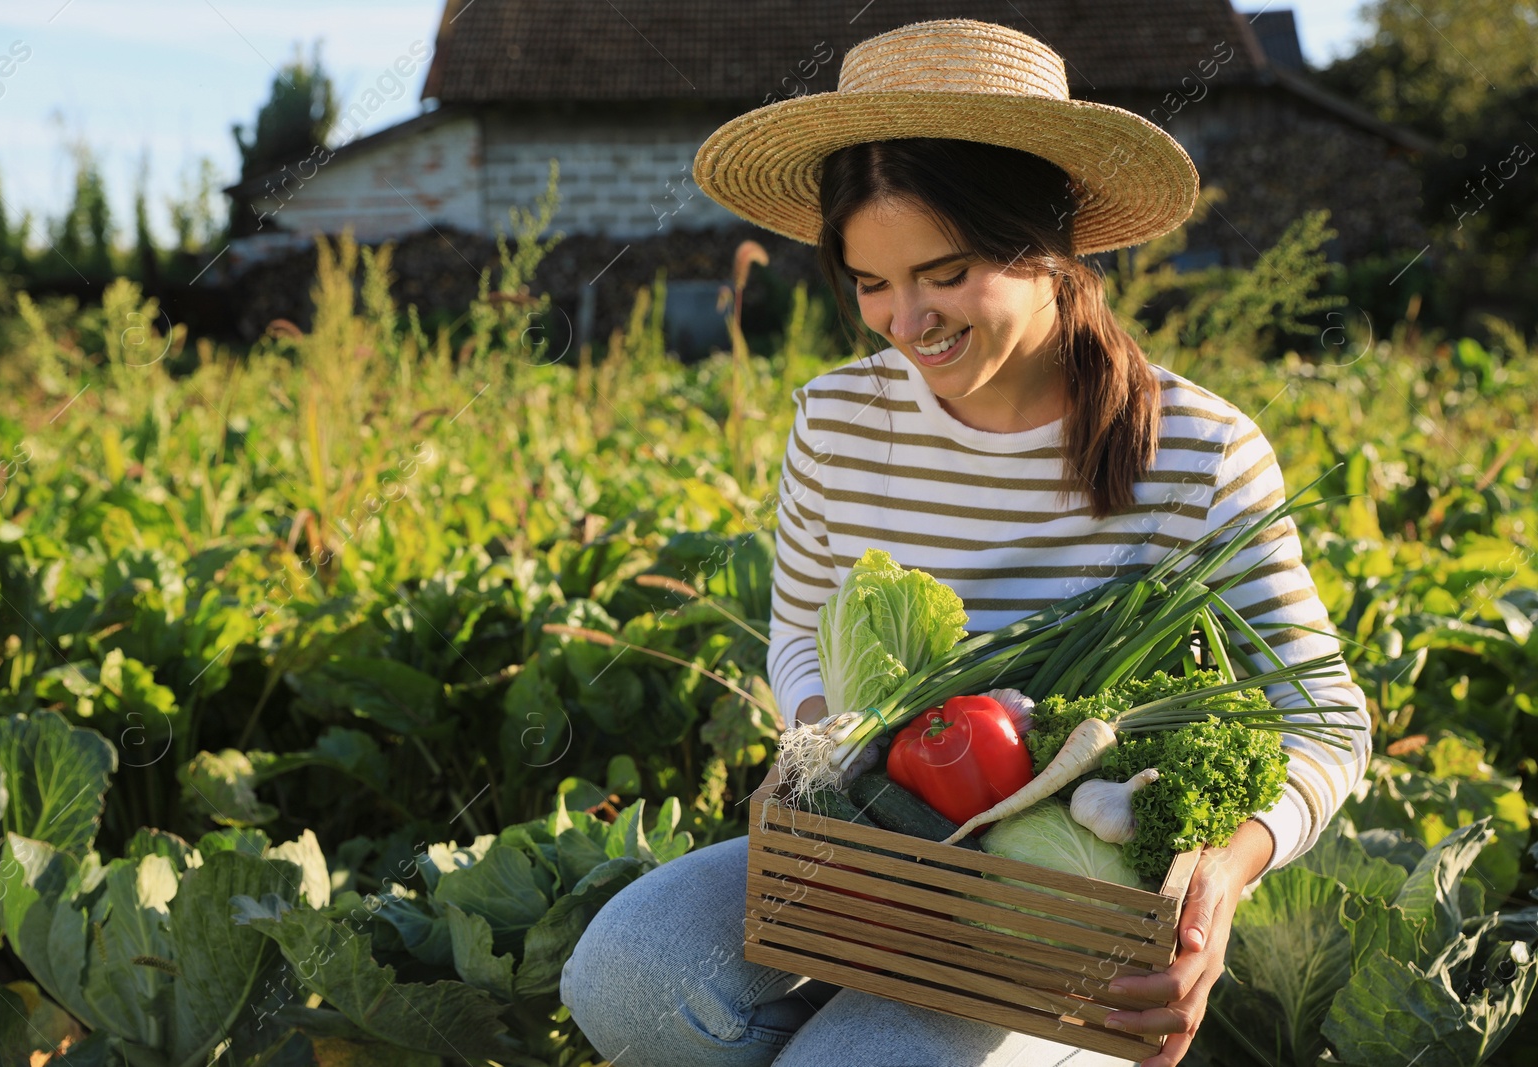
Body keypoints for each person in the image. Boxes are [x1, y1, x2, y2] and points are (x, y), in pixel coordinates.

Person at [559, 17, 1370, 1067]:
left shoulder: (1199, 449)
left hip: (1060, 890)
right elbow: (802, 626)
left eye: (943, 273)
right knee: (627, 978)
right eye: (870, 282)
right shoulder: (838, 418)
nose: (906, 321)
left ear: (1047, 243)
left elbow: (1325, 717)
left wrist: (1223, 869)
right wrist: (823, 753)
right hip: (866, 852)